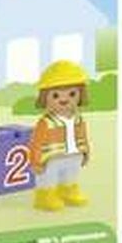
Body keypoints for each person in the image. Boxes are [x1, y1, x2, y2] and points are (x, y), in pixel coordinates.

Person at [29, 61, 91, 212]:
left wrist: (85, 153)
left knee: (71, 175)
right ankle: (45, 195)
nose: (64, 99)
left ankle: (68, 190)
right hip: (51, 158)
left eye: (72, 94)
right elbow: (36, 143)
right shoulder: (46, 122)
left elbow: (83, 137)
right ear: (45, 97)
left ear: (81, 95)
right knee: (48, 178)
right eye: (55, 95)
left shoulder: (78, 119)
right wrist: (35, 161)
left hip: (74, 155)